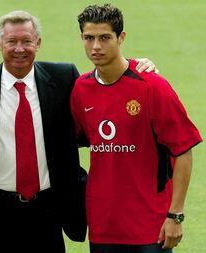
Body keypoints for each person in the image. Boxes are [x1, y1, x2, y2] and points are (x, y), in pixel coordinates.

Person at [0, 11, 157, 253]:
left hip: (45, 213)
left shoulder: (64, 78)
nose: (19, 49)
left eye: (27, 41)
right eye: (11, 41)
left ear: (39, 43)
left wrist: (138, 65)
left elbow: (102, 89)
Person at [70, 4, 202, 253]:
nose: (96, 46)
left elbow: (183, 150)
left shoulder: (153, 87)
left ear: (121, 38)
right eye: (89, 38)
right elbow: (75, 140)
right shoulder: (80, 88)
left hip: (149, 225)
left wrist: (176, 215)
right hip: (102, 225)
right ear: (82, 38)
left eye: (105, 38)